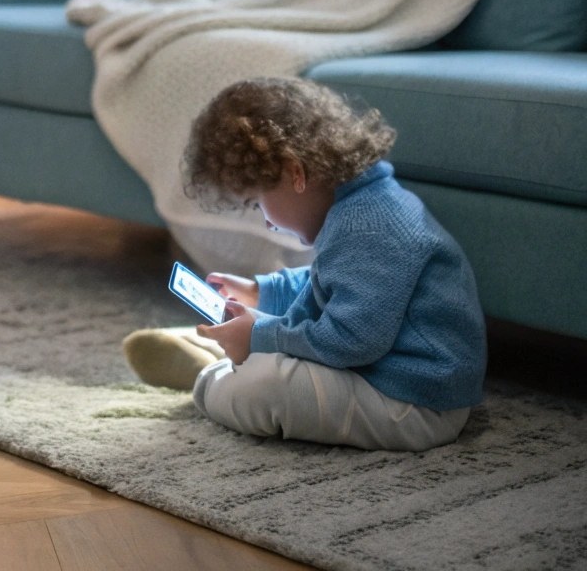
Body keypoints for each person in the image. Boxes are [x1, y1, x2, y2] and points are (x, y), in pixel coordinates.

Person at [122, 76, 485, 451]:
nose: (265, 219)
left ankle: (210, 373)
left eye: (257, 200)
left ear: (295, 173)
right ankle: (228, 349)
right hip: (387, 376)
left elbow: (350, 341)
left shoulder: (369, 225)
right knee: (268, 338)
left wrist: (262, 337)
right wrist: (263, 292)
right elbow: (331, 283)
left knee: (263, 387)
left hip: (415, 405)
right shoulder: (363, 205)